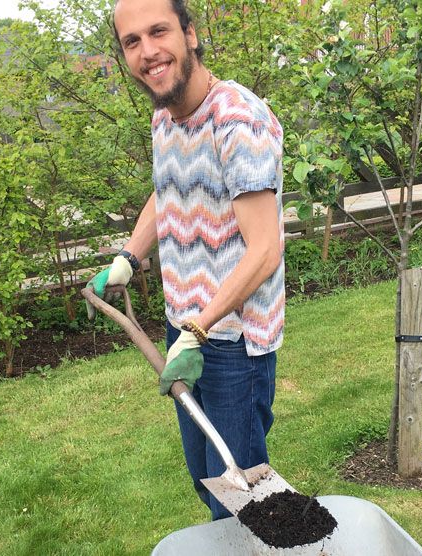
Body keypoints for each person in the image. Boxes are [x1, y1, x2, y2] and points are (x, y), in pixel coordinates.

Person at [105, 0, 286, 520]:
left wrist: (200, 329)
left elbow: (265, 249)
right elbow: (167, 191)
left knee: (239, 494)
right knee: (206, 480)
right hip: (185, 328)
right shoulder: (165, 117)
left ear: (190, 33)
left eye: (158, 32)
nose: (147, 52)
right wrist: (128, 256)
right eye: (131, 42)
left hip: (231, 342)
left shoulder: (237, 119)